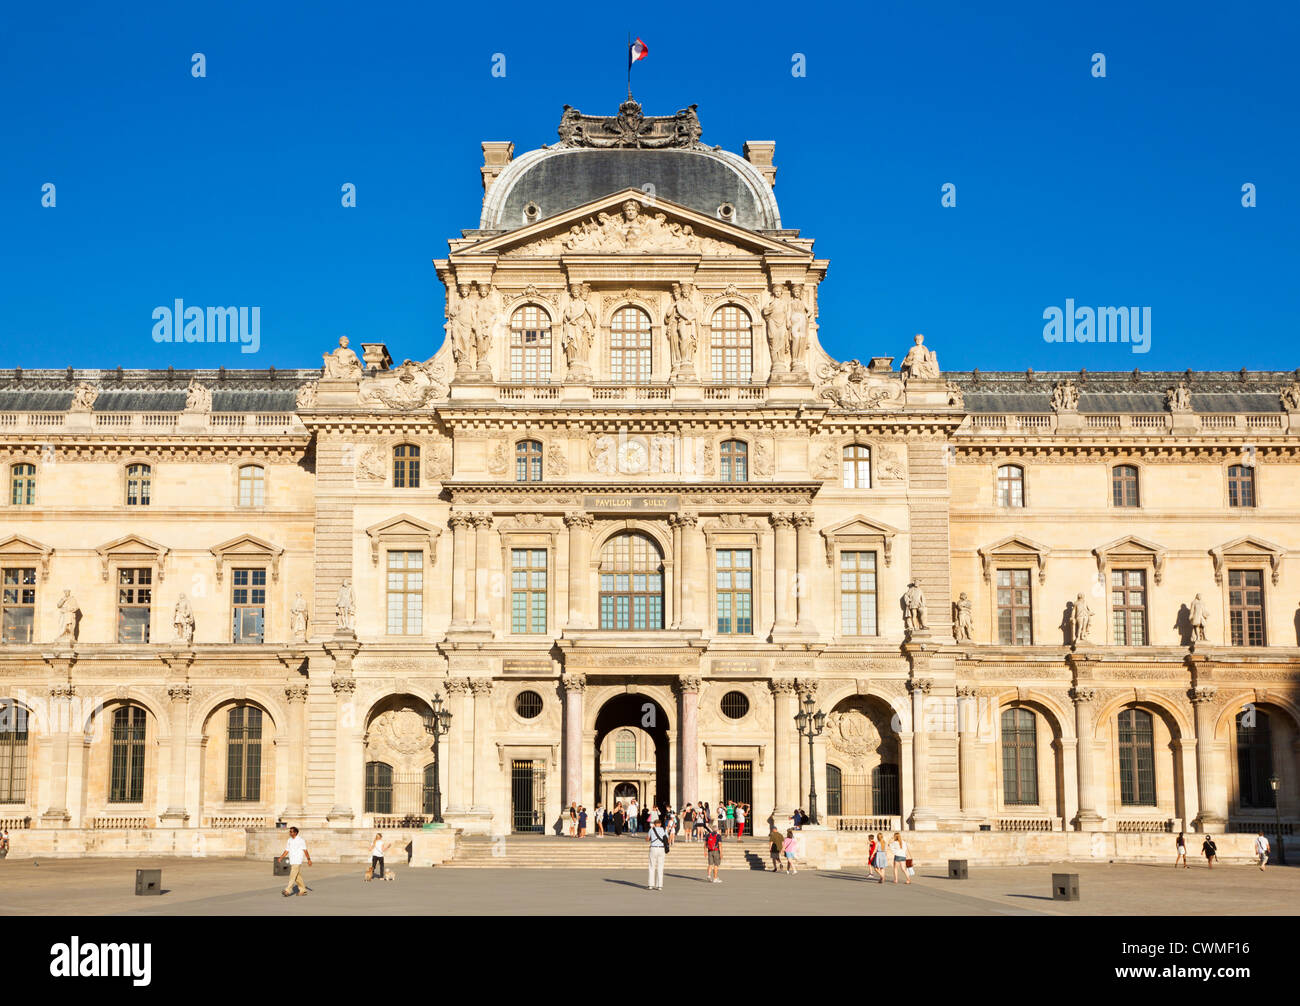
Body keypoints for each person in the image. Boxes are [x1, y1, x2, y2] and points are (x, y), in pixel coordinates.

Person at [277, 826, 312, 897]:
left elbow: (305, 850)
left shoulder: (301, 840)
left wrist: (309, 859)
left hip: (298, 860)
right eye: (290, 831)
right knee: (297, 877)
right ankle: (303, 890)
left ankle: (287, 890)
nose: (290, 833)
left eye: (291, 831)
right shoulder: (289, 840)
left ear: (295, 832)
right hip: (292, 860)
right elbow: (287, 850)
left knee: (292, 876)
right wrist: (281, 857)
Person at [646, 817, 669, 891]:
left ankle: (650, 885)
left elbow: (647, 839)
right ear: (660, 824)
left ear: (654, 824)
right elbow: (667, 839)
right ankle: (659, 885)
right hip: (661, 848)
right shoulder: (664, 830)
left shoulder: (651, 829)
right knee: (660, 867)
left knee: (652, 866)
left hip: (653, 848)